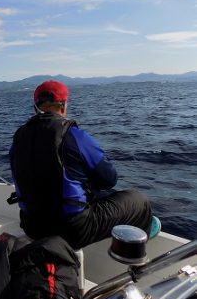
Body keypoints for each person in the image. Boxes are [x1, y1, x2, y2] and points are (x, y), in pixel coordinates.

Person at [9, 80, 158, 250]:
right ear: (64, 105)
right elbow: (109, 179)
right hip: (72, 231)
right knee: (139, 200)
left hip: (32, 226)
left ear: (35, 107)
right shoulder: (75, 136)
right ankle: (136, 250)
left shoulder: (18, 138)